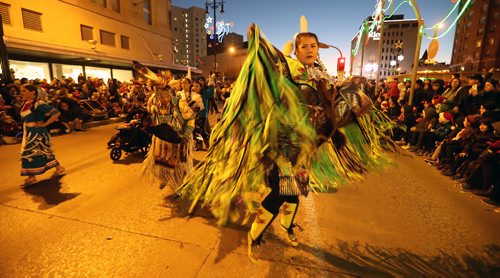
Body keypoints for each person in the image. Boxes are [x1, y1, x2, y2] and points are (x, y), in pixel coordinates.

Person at [175, 21, 397, 263]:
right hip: (281, 144)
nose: (310, 50)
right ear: (297, 50)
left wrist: (353, 95)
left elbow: (333, 107)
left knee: (293, 193)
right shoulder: (289, 68)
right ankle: (255, 234)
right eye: (305, 46)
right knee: (281, 192)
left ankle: (287, 225)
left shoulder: (320, 75)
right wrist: (258, 39)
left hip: (305, 148)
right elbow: (272, 58)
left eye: (314, 46)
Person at [19, 84, 65, 186]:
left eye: (24, 91)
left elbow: (56, 113)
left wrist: (45, 123)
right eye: (21, 91)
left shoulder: (39, 104)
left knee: (32, 153)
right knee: (38, 152)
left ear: (33, 92)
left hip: (37, 132)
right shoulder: (25, 103)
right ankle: (57, 168)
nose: (21, 93)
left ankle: (31, 176)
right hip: (29, 131)